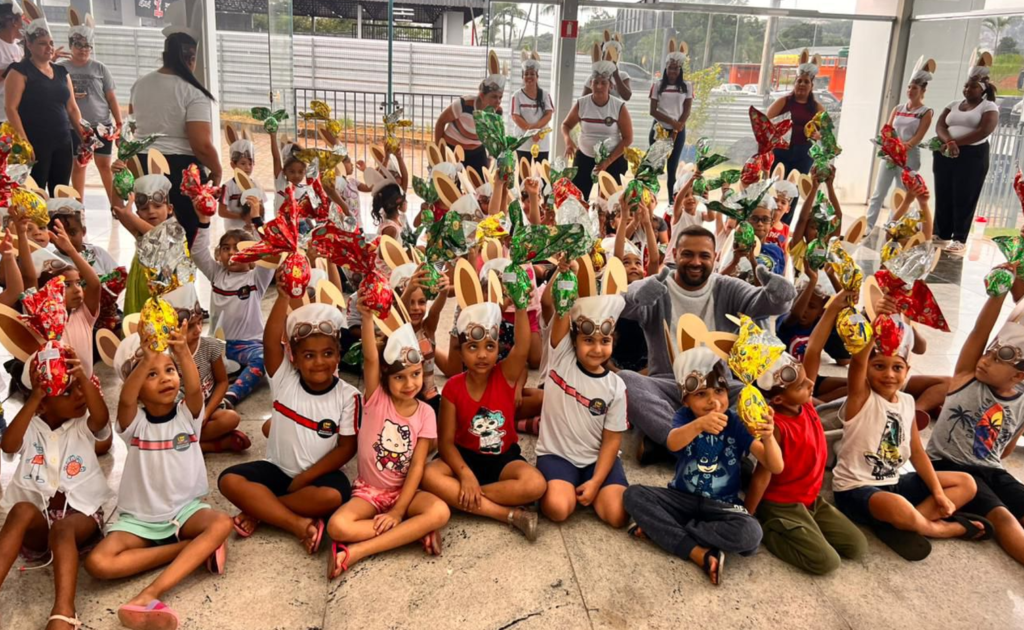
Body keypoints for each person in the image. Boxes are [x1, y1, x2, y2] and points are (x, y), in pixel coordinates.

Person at [85, 322, 232, 630]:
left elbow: (195, 389)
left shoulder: (188, 416)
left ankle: (150, 593)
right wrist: (147, 358)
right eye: (151, 374)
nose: (165, 378)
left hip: (185, 512)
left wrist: (182, 352)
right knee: (97, 563)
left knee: (221, 523)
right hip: (140, 520)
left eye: (169, 370)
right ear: (136, 385)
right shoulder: (134, 424)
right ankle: (191, 549)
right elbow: (125, 401)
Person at [618, 225, 796, 461]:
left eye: (704, 255)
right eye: (688, 254)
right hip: (670, 385)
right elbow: (622, 304)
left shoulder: (727, 287)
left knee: (752, 398)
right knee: (625, 381)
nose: (696, 262)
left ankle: (671, 445)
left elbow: (763, 303)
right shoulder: (658, 285)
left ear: (715, 257)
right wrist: (636, 296)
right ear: (675, 255)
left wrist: (781, 295)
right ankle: (681, 440)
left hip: (720, 389)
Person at [832, 315, 989, 561]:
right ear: (867, 369)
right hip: (856, 489)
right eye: (879, 366)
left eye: (897, 367)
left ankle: (904, 524)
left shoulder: (907, 401)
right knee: (897, 505)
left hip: (894, 483)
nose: (889, 374)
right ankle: (936, 528)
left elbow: (917, 452)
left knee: (966, 483)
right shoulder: (861, 398)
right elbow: (857, 363)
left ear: (907, 371)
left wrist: (938, 493)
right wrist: (876, 328)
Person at [624, 346, 782, 586]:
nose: (712, 401)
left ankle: (670, 532)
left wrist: (768, 438)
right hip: (681, 498)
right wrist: (699, 425)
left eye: (719, 391)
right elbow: (672, 442)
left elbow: (775, 466)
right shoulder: (684, 418)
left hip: (722, 505)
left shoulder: (736, 423)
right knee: (633, 495)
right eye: (700, 394)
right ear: (685, 400)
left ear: (727, 392)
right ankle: (696, 549)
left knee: (751, 534)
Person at [218, 293, 359, 552]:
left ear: (338, 356)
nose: (319, 362)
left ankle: (262, 510)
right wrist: (283, 296)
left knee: (334, 496)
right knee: (229, 480)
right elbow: (270, 341)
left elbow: (347, 448)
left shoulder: (349, 396)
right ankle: (296, 523)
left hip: (318, 477)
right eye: (309, 355)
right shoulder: (284, 379)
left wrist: (305, 477)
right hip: (277, 470)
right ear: (293, 357)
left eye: (328, 353)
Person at [327, 296, 450, 580]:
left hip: (405, 492)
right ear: (385, 376)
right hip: (368, 492)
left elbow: (417, 466)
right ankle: (412, 532)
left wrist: (399, 510)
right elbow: (371, 358)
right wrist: (367, 318)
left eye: (415, 374)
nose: (410, 384)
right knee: (337, 526)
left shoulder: (426, 413)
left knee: (440, 512)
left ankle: (358, 551)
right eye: (400, 377)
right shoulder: (376, 398)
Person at [746, 299, 868, 575]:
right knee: (826, 562)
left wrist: (833, 309)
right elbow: (762, 475)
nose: (811, 384)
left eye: (805, 378)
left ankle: (808, 525)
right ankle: (769, 529)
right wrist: (748, 516)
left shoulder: (806, 404)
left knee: (857, 546)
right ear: (778, 399)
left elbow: (813, 349)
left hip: (811, 500)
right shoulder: (776, 426)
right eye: (801, 385)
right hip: (781, 505)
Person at [0, 346, 110, 630]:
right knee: (21, 510)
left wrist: (83, 378)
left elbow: (101, 419)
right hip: (40, 525)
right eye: (67, 392)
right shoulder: (31, 427)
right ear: (42, 404)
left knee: (62, 529)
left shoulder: (82, 425)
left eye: (79, 387)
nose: (79, 395)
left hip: (81, 518)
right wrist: (34, 400)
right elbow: (8, 445)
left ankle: (64, 611)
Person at [421, 292, 544, 540]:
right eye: (473, 347)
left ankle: (462, 498)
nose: (482, 355)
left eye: (490, 346)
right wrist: (465, 474)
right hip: (463, 457)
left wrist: (521, 306)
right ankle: (507, 514)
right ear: (461, 352)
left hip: (502, 459)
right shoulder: (453, 387)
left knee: (536, 485)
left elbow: (522, 346)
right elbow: (446, 444)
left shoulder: (505, 374)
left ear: (498, 348)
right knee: (429, 474)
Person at [928, 286, 1024, 567]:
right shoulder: (967, 377)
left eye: (996, 360)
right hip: (949, 467)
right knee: (1003, 516)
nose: (985, 360)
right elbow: (979, 332)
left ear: (1018, 376)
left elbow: (1005, 451)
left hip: (993, 470)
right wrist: (998, 292)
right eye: (988, 354)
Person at [535, 260, 630, 528]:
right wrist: (566, 273)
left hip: (596, 460)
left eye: (605, 341)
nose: (597, 349)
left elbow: (612, 440)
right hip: (557, 454)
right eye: (588, 340)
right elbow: (561, 309)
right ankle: (562, 487)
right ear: (574, 340)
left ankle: (585, 487)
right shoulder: (561, 356)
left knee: (618, 515)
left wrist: (596, 481)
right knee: (558, 509)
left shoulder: (616, 386)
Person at [128, 3, 220, 246]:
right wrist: (217, 170)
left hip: (143, 164)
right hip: (181, 169)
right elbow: (201, 144)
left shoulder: (140, 85)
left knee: (150, 233)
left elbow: (133, 126)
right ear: (191, 58)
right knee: (189, 235)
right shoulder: (192, 92)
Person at [190, 202, 274, 408]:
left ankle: (231, 396)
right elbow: (198, 253)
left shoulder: (256, 278)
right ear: (219, 254)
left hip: (249, 344)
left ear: (252, 254)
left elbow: (269, 251)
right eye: (226, 248)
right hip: (217, 344)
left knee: (263, 359)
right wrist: (204, 221)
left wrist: (256, 220)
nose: (231, 252)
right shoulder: (216, 274)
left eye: (238, 248)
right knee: (187, 359)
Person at [163, 284, 250, 454]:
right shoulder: (166, 358)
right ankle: (214, 445)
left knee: (231, 418)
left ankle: (185, 445)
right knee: (166, 432)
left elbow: (223, 382)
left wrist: (206, 413)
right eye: (190, 326)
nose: (197, 330)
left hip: (209, 407)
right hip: (180, 416)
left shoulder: (209, 346)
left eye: (199, 323)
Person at [4, 10, 83, 196]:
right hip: (34, 140)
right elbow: (11, 108)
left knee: (61, 190)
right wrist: (24, 142)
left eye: (51, 43)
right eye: (42, 43)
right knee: (35, 191)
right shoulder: (19, 71)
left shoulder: (62, 72)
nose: (49, 48)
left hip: (63, 140)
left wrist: (83, 135)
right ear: (29, 45)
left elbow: (72, 108)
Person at [932, 56, 999, 254]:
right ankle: (941, 233)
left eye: (973, 87)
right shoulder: (953, 104)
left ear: (982, 90)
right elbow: (940, 125)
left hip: (972, 156)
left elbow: (984, 131)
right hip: (945, 152)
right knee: (943, 192)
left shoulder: (988, 107)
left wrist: (956, 143)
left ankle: (959, 237)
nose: (967, 89)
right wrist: (949, 142)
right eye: (966, 86)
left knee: (964, 195)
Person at [865, 60, 933, 231]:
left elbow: (918, 137)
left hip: (909, 156)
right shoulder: (898, 108)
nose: (910, 91)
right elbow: (887, 130)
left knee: (900, 193)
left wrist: (903, 147)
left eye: (914, 88)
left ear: (923, 91)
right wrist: (889, 147)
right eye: (909, 87)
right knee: (879, 192)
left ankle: (890, 226)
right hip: (890, 155)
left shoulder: (925, 112)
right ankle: (868, 226)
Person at [61, 13, 122, 205]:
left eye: (87, 45)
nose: (83, 49)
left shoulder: (100, 68)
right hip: (75, 127)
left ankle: (115, 205)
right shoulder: (60, 68)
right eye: (79, 45)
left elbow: (111, 97)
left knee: (104, 165)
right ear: (71, 46)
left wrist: (119, 123)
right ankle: (79, 206)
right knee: (79, 165)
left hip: (102, 125)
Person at [562, 59, 633, 200]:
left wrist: (608, 161)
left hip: (613, 160)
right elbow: (566, 125)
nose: (599, 86)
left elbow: (628, 138)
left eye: (604, 83)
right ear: (591, 84)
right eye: (596, 82)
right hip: (584, 157)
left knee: (608, 203)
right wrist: (568, 141)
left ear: (611, 86)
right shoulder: (582, 103)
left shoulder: (619, 106)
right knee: (578, 200)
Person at [766, 50, 825, 205]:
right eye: (799, 81)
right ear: (795, 83)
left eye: (806, 82)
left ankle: (787, 219)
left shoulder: (817, 107)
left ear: (812, 86)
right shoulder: (783, 101)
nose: (802, 84)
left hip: (803, 153)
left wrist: (819, 135)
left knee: (794, 190)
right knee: (776, 187)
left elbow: (826, 132)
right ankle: (771, 217)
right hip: (781, 151)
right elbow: (765, 122)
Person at [434, 55, 504, 175]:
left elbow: (494, 138)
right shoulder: (463, 105)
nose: (498, 101)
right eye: (494, 97)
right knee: (451, 184)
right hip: (452, 149)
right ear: (482, 96)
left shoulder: (497, 113)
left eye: (500, 97)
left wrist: (489, 158)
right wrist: (438, 151)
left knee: (483, 184)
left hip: (476, 152)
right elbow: (441, 121)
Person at [649, 42, 692, 198]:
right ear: (666, 69)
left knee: (672, 168)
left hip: (678, 130)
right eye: (670, 68)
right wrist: (672, 122)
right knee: (653, 167)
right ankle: (650, 199)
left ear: (680, 70)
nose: (672, 71)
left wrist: (677, 127)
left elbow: (687, 110)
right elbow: (653, 111)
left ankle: (671, 202)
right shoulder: (658, 85)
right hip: (659, 130)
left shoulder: (687, 86)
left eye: (675, 68)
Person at [511, 51, 554, 164]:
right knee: (524, 172)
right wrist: (531, 131)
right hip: (523, 142)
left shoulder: (545, 94)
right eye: (526, 74)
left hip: (541, 142)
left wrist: (536, 131)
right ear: (522, 77)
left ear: (537, 76)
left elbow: (548, 115)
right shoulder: (517, 95)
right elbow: (515, 116)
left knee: (542, 172)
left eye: (532, 74)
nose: (529, 77)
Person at [0, 0, 23, 123]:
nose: (23, 25)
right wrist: (14, 68)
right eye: (21, 21)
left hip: (17, 114)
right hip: (2, 116)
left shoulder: (18, 48)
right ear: (14, 22)